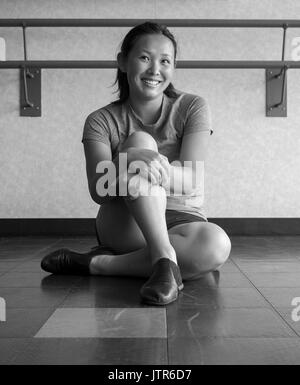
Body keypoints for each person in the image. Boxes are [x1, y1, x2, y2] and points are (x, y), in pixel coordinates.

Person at [41, 22, 231, 305]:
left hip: (183, 220)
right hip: (125, 222)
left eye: (165, 61)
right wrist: (128, 160)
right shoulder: (100, 120)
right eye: (144, 57)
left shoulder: (193, 107)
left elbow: (192, 180)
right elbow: (99, 191)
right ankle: (166, 257)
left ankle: (99, 265)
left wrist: (154, 164)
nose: (155, 69)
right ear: (122, 61)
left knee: (217, 245)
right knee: (141, 141)